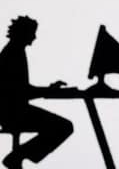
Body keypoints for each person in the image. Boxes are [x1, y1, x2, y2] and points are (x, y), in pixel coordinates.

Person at [0, 16, 74, 169]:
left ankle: (19, 155)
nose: (34, 37)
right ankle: (17, 156)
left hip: (13, 111)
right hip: (13, 113)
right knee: (63, 127)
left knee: (62, 126)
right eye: (32, 33)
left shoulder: (14, 51)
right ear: (24, 33)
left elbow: (22, 88)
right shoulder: (13, 54)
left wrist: (48, 90)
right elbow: (21, 92)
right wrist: (48, 91)